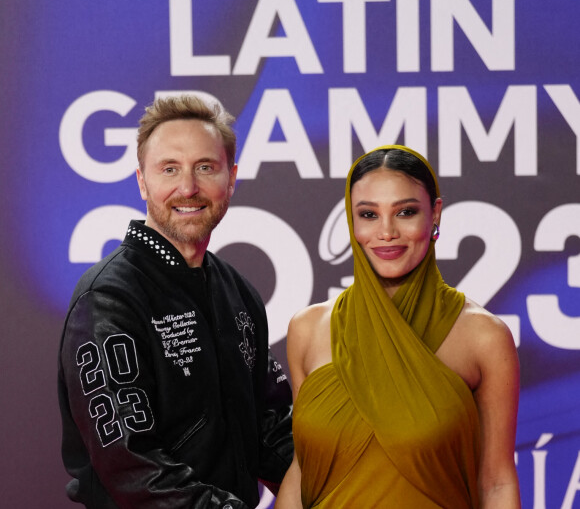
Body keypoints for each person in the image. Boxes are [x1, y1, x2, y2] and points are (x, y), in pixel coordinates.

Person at [58, 94, 294, 508]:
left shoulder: (238, 292)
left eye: (206, 167)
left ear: (231, 178)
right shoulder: (108, 299)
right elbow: (129, 466)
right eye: (170, 169)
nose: (188, 187)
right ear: (142, 181)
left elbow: (270, 432)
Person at [275, 145, 521, 508]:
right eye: (369, 214)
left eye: (406, 212)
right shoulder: (308, 329)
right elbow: (302, 469)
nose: (386, 232)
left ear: (435, 214)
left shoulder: (484, 337)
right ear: (352, 221)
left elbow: (496, 482)